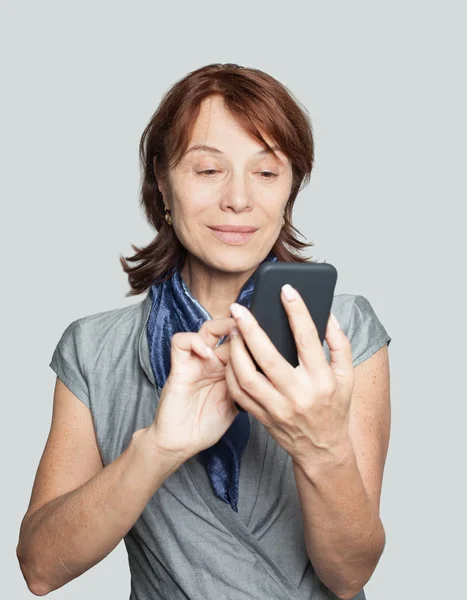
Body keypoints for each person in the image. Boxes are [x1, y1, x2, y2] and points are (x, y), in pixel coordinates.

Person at [16, 63, 391, 600]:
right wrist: (158, 449)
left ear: (290, 191)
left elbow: (349, 573)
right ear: (162, 187)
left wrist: (321, 446)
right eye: (208, 170)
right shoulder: (94, 349)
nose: (239, 199)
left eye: (266, 173)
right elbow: (40, 569)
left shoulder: (341, 330)